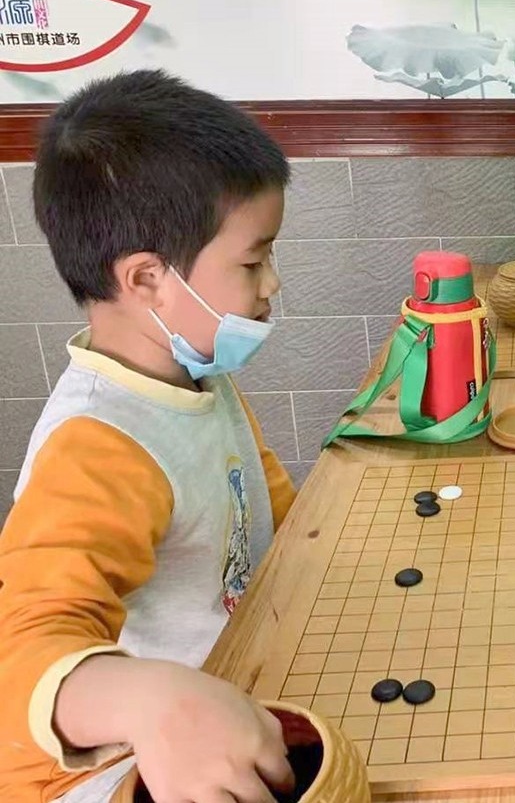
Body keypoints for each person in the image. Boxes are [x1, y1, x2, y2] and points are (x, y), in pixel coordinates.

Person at [0, 70, 298, 803]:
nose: (272, 283)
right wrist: (149, 701)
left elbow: (274, 509)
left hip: (246, 686)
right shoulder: (98, 444)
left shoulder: (199, 379)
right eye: (253, 260)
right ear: (146, 280)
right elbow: (25, 649)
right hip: (122, 768)